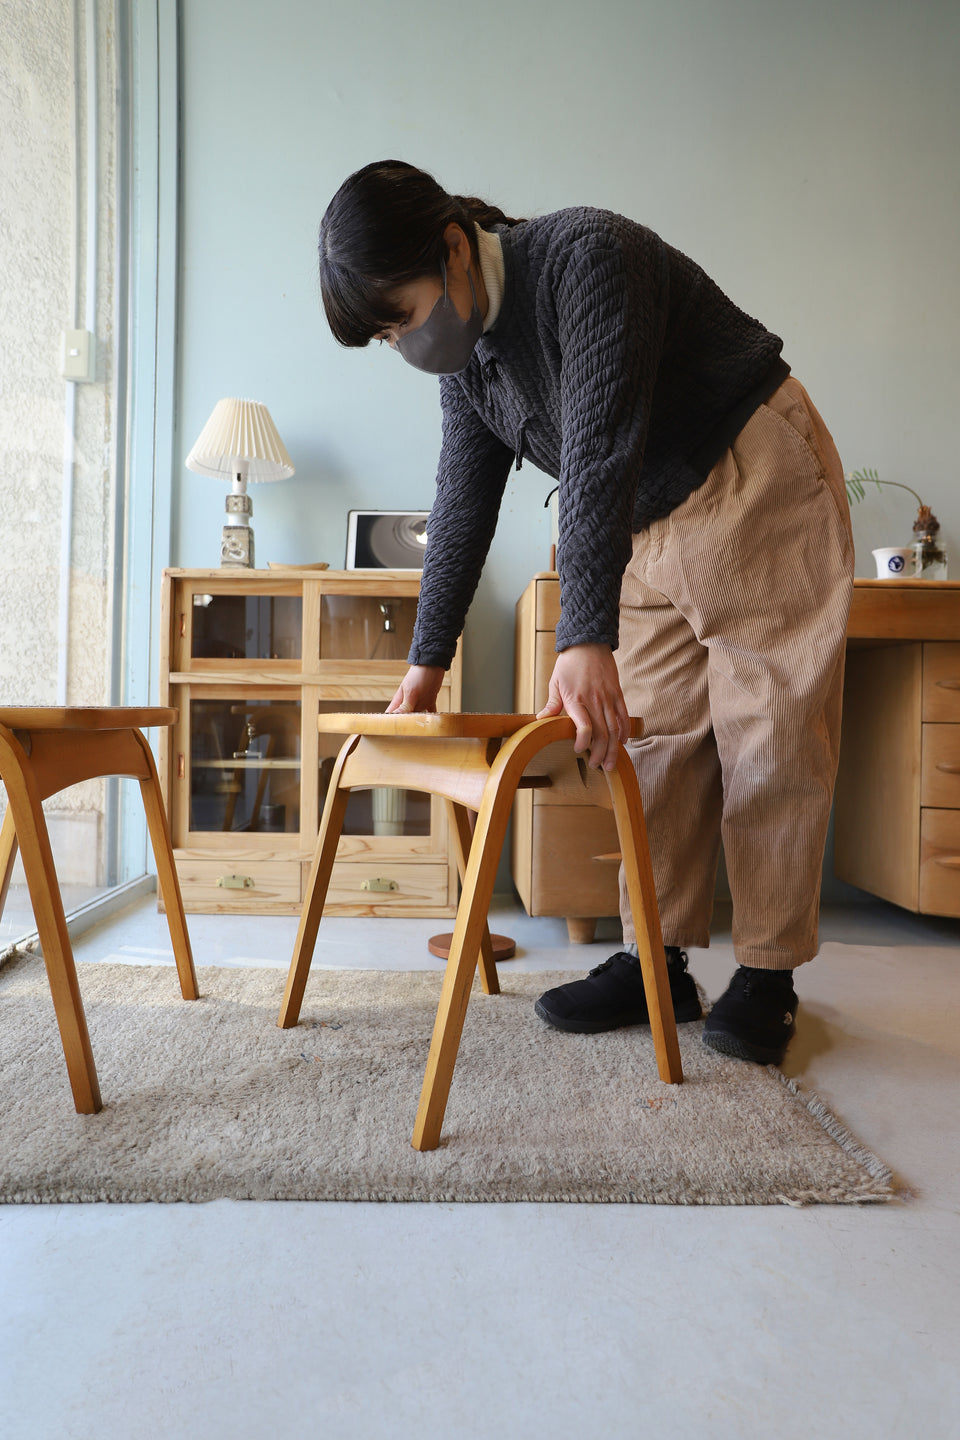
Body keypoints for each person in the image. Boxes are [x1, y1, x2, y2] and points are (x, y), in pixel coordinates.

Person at [317, 159, 854, 1066]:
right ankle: (661, 960)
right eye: (384, 336)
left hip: (750, 474)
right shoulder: (474, 365)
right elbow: (462, 502)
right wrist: (427, 660)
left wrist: (584, 632)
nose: (403, 344)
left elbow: (600, 441)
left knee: (768, 730)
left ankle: (767, 975)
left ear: (452, 249)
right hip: (645, 520)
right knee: (649, 744)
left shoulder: (586, 255)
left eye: (399, 317)